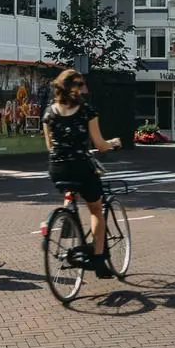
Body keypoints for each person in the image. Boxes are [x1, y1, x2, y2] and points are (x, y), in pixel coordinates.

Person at [43, 69, 123, 275]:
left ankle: (68, 213)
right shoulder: (86, 110)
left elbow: (50, 146)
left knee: (70, 190)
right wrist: (112, 143)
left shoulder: (49, 113)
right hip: (81, 166)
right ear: (75, 88)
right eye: (80, 85)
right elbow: (99, 144)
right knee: (96, 209)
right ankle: (97, 259)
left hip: (57, 168)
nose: (82, 89)